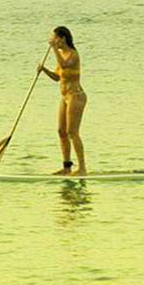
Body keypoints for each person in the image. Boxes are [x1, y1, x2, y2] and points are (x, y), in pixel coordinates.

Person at [37, 26, 87, 175]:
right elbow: (57, 77)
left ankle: (82, 168)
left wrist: (53, 49)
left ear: (62, 38)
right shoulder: (61, 55)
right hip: (65, 96)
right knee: (61, 131)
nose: (53, 41)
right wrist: (43, 70)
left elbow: (65, 64)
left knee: (72, 132)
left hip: (76, 96)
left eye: (55, 38)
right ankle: (67, 167)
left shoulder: (73, 54)